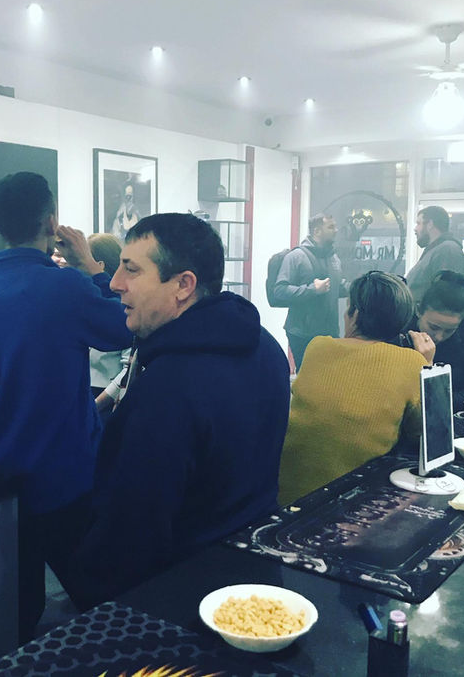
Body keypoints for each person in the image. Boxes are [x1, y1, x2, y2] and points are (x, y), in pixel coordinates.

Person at [67, 212, 290, 609]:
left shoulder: (169, 388)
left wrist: (93, 597)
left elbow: (133, 531)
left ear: (183, 285)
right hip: (252, 573)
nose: (115, 283)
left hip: (177, 595)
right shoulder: (265, 345)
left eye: (131, 269)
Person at [0, 171, 132, 642]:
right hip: (66, 474)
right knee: (97, 594)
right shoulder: (64, 287)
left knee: (17, 602)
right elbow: (124, 328)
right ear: (51, 222)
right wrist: (92, 266)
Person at [278, 271, 430, 505]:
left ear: (354, 313)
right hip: (352, 504)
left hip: (287, 499)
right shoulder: (412, 362)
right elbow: (425, 435)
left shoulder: (317, 347)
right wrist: (427, 366)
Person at [273, 213, 346, 371]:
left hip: (330, 332)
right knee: (307, 378)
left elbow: (337, 286)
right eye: (331, 227)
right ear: (317, 231)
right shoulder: (296, 257)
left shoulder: (333, 258)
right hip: (302, 334)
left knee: (329, 378)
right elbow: (280, 290)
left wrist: (357, 288)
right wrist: (312, 290)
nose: (336, 230)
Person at [405, 270, 464, 411]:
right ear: (418, 311)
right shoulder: (399, 337)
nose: (439, 337)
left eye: (449, 330)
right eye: (433, 327)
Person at [87, 233, 131, 399]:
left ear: (99, 265)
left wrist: (97, 405)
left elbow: (127, 369)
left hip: (106, 395)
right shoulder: (86, 299)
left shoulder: (124, 303)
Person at [406, 205, 464, 303]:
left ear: (430, 224)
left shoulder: (448, 249)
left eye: (418, 223)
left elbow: (446, 295)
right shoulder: (437, 250)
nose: (415, 229)